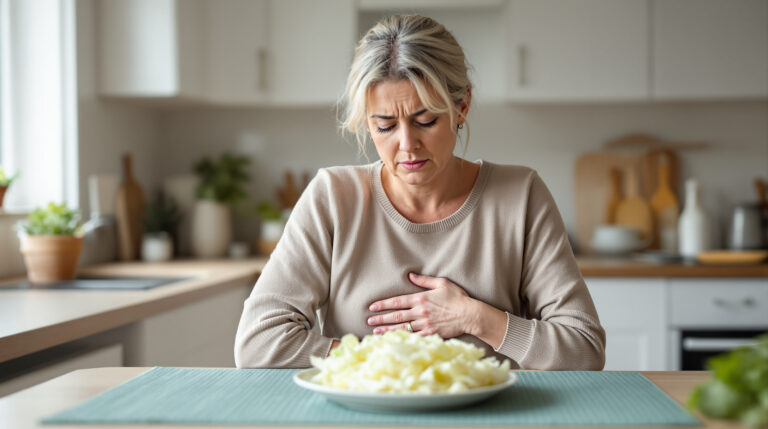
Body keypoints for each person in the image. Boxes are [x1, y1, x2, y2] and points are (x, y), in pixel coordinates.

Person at [235, 15, 605, 370]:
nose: (407, 144)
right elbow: (257, 343)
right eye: (385, 126)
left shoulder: (521, 195)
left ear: (462, 107)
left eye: (425, 120)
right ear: (367, 121)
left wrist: (476, 318)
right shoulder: (332, 197)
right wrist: (392, 357)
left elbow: (584, 349)